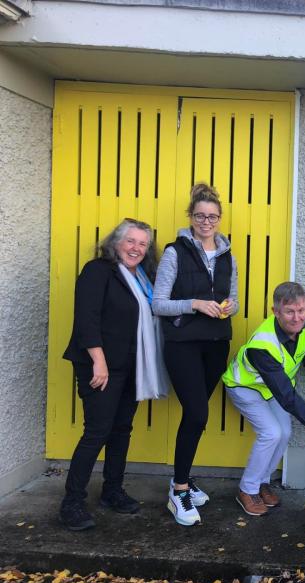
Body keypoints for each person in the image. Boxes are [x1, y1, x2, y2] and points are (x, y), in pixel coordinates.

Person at [60, 218, 168, 531]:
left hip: (132, 366)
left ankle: (112, 491)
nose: (136, 248)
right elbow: (87, 318)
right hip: (101, 365)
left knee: (121, 429)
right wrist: (99, 360)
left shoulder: (145, 278)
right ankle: (72, 502)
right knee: (97, 431)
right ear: (115, 242)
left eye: (142, 243)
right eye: (130, 241)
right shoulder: (99, 271)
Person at [221, 282, 305, 515]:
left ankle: (262, 483)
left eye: (300, 310)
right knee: (271, 432)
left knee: (285, 433)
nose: (297, 317)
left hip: (273, 388)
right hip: (245, 386)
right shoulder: (262, 346)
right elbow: (288, 397)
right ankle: (247, 489)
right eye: (289, 312)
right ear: (275, 311)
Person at [153, 183, 238, 526]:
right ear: (191, 216)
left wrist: (230, 307)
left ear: (219, 219)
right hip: (183, 344)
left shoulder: (228, 255)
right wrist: (195, 304)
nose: (207, 221)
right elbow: (158, 304)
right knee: (199, 413)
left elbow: (234, 300)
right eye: (201, 215)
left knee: (195, 417)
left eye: (213, 216)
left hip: (217, 343)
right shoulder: (175, 252)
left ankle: (183, 477)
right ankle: (179, 489)